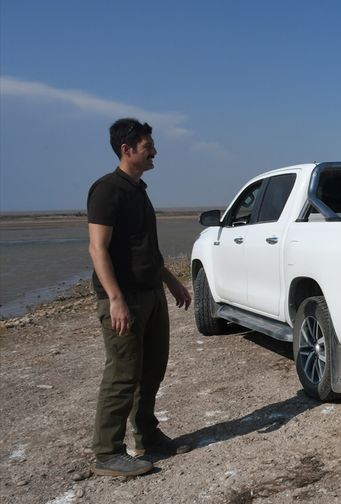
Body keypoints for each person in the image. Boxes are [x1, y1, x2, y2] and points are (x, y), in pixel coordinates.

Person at [87, 118, 192, 477]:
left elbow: (146, 248)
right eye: (148, 147)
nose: (154, 152)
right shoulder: (107, 190)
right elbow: (98, 248)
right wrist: (115, 298)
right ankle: (107, 452)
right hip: (124, 299)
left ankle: (147, 434)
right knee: (122, 374)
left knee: (152, 369)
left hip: (150, 294)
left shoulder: (139, 189)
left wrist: (171, 282)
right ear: (126, 149)